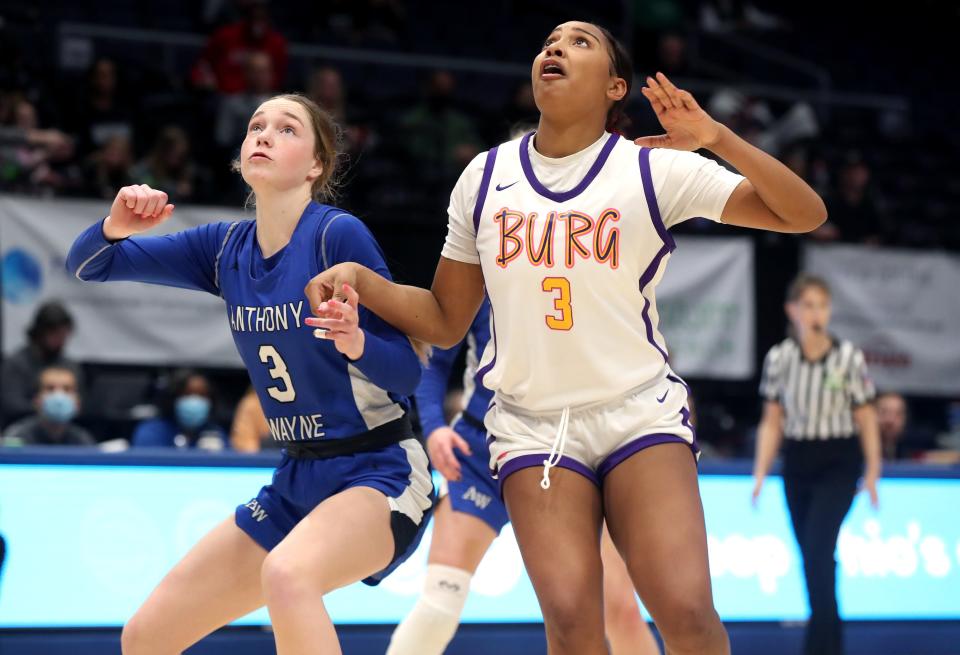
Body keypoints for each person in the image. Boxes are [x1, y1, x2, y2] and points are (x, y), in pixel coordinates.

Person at [306, 20, 826, 655]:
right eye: (549, 41)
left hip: (638, 411)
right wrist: (364, 279)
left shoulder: (652, 171)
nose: (554, 48)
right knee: (574, 628)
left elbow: (805, 214)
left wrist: (717, 139)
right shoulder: (483, 177)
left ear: (615, 87)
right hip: (531, 423)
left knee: (687, 613)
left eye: (579, 42)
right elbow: (445, 317)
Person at [66, 93, 432, 655]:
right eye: (257, 125)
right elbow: (90, 264)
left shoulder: (337, 235)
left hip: (379, 469)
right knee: (145, 637)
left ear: (316, 166)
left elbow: (407, 374)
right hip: (296, 479)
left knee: (288, 577)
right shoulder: (223, 248)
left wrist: (357, 342)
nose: (264, 134)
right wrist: (115, 226)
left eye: (286, 129)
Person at [387, 299, 659, 655]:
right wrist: (436, 428)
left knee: (618, 611)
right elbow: (434, 359)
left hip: (569, 450)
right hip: (480, 449)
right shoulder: (484, 264)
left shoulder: (588, 269)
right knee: (440, 602)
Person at [752, 274, 881, 655]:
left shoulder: (848, 357)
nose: (815, 313)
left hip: (839, 460)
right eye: (807, 305)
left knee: (818, 546)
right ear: (792, 311)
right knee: (812, 555)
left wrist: (873, 471)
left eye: (822, 305)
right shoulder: (779, 358)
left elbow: (867, 417)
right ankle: (828, 637)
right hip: (798, 460)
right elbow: (772, 419)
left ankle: (820, 644)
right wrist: (760, 473)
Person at [1, 301, 83, 424]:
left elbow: (80, 403)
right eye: (55, 334)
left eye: (63, 335)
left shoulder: (69, 366)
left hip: (64, 431)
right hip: (21, 429)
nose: (60, 340)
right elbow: (10, 405)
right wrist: (40, 406)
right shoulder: (16, 364)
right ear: (41, 331)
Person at [132, 369, 228, 450]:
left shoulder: (216, 434)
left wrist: (218, 456)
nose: (194, 401)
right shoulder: (151, 431)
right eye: (187, 394)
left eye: (202, 395)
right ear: (173, 398)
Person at [2, 366, 94, 446]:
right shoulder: (17, 438)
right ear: (36, 399)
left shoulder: (83, 440)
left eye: (67, 389)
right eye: (50, 389)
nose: (59, 396)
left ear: (77, 401)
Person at [230, 386, 273, 452]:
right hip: (261, 455)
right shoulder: (251, 404)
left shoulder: (291, 404)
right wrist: (265, 446)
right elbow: (243, 441)